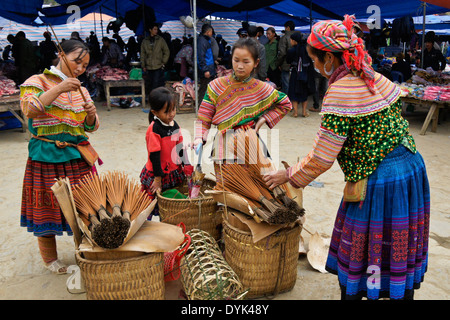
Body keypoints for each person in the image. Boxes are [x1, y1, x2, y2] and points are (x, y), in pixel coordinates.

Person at [263, 15, 430, 300]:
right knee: (395, 247)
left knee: (365, 244)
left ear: (329, 58)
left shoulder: (340, 92)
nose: (315, 66)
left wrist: (287, 175)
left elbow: (322, 158)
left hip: (380, 179)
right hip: (411, 169)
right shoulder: (372, 76)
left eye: (315, 59)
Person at [19, 40, 99, 275]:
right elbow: (29, 109)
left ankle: (85, 250)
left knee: (87, 207)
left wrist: (92, 116)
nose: (80, 68)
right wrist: (58, 89)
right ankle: (50, 258)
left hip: (76, 157)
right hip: (45, 157)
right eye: (76, 61)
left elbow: (89, 128)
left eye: (85, 65)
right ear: (60, 54)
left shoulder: (82, 89)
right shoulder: (37, 81)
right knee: (47, 208)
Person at [192, 37, 292, 184]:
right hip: (224, 144)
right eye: (236, 60)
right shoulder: (216, 86)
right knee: (226, 188)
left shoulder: (261, 88)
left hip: (250, 142)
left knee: (253, 186)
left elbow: (285, 103)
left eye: (246, 62)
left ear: (256, 63)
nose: (240, 66)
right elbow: (204, 117)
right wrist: (199, 137)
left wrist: (264, 119)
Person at [140, 87, 193, 220]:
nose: (171, 114)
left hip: (173, 171)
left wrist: (186, 165)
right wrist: (157, 179)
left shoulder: (174, 125)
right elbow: (155, 156)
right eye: (166, 112)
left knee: (169, 206)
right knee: (150, 205)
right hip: (157, 173)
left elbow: (180, 147)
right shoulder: (154, 129)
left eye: (173, 109)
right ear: (155, 112)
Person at [286, 32, 315, 118]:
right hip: (305, 74)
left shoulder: (291, 51)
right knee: (304, 93)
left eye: (291, 40)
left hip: (295, 73)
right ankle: (304, 112)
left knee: (294, 92)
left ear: (294, 41)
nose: (290, 41)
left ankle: (295, 112)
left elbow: (288, 61)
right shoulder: (307, 49)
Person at [140, 23, 170, 104]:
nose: (156, 31)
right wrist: (143, 65)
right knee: (149, 84)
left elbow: (166, 51)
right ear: (150, 30)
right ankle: (152, 100)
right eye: (154, 29)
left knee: (156, 84)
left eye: (157, 29)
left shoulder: (160, 40)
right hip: (149, 67)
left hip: (158, 66)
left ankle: (156, 101)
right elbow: (142, 54)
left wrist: (163, 62)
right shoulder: (145, 41)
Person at [197, 23, 217, 106]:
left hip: (209, 68)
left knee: (208, 89)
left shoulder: (205, 40)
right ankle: (201, 107)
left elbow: (207, 55)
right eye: (211, 32)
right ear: (208, 32)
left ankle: (207, 107)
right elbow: (201, 57)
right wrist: (205, 70)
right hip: (206, 69)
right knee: (204, 89)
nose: (212, 34)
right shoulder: (202, 41)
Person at [277, 20, 296, 94]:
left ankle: (287, 101)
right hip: (298, 65)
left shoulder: (284, 38)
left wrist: (278, 63)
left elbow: (282, 53)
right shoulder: (299, 37)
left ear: (288, 28)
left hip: (286, 64)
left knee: (286, 83)